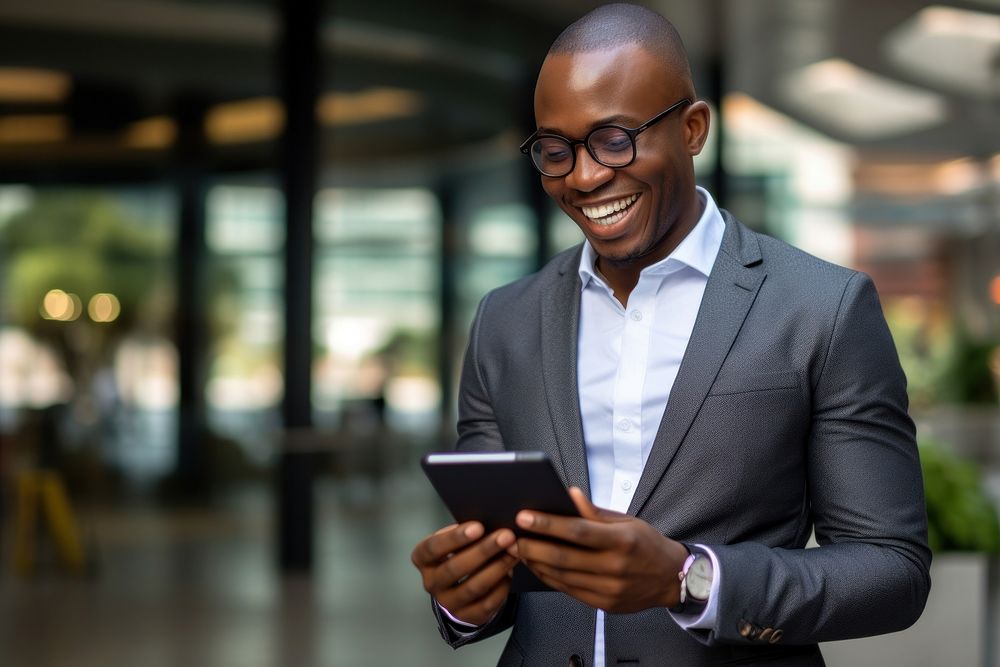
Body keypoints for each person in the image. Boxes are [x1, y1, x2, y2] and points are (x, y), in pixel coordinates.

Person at [410, 3, 931, 665]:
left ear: (692, 129)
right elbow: (501, 554)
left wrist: (687, 578)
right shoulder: (503, 320)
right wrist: (463, 594)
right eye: (554, 149)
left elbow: (892, 570)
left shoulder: (823, 308)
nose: (584, 176)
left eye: (615, 138)